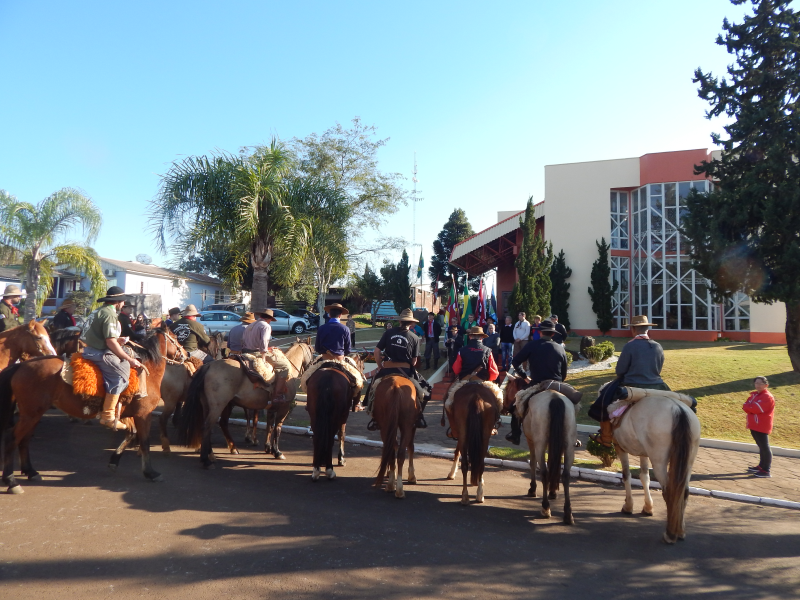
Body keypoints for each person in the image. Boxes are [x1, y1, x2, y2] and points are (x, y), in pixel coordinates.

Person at [589, 315, 667, 447]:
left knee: (603, 400)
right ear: (648, 329)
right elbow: (659, 368)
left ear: (634, 330)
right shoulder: (658, 346)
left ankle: (606, 437)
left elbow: (620, 371)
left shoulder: (629, 346)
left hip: (632, 385)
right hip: (658, 386)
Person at [80, 286, 143, 430]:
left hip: (90, 347)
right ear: (119, 301)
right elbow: (109, 342)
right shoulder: (109, 314)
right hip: (97, 352)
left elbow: (103, 336)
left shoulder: (98, 311)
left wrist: (117, 339)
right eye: (123, 301)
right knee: (120, 373)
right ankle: (108, 416)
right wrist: (129, 359)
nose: (123, 304)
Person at [506, 319, 569, 444]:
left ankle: (515, 434)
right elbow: (564, 373)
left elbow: (515, 362)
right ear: (552, 334)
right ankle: (573, 434)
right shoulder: (560, 348)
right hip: (557, 385)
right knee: (573, 404)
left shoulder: (532, 345)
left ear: (540, 333)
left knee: (515, 406)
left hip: (537, 384)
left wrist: (524, 376)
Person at [371, 308, 431, 427]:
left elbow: (377, 351)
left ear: (400, 321)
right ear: (411, 323)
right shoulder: (414, 337)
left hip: (387, 369)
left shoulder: (388, 333)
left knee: (372, 389)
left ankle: (374, 418)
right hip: (406, 371)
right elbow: (414, 361)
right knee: (427, 389)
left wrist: (379, 366)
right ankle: (419, 417)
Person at [243, 308, 291, 403]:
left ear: (261, 316)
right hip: (256, 353)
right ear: (269, 319)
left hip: (245, 351)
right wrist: (264, 356)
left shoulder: (251, 325)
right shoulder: (266, 326)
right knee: (284, 366)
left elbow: (244, 339)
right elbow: (264, 341)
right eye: (271, 320)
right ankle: (277, 396)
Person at [743, 376, 775, 478]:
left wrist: (749, 407)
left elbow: (756, 408)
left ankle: (766, 470)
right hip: (754, 425)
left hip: (762, 425)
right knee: (761, 446)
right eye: (756, 383)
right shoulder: (754, 395)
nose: (758, 385)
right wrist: (749, 407)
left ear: (766, 385)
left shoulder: (767, 396)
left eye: (760, 383)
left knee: (765, 447)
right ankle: (761, 466)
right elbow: (745, 406)